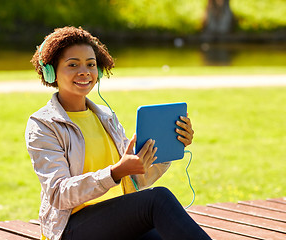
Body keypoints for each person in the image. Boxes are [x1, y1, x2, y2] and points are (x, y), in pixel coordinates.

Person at [25, 26, 211, 240]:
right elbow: (59, 193)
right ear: (51, 71)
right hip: (71, 230)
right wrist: (114, 172)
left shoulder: (105, 117)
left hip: (114, 224)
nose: (84, 71)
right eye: (73, 64)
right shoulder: (43, 124)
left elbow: (135, 180)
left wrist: (172, 144)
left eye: (91, 64)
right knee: (158, 199)